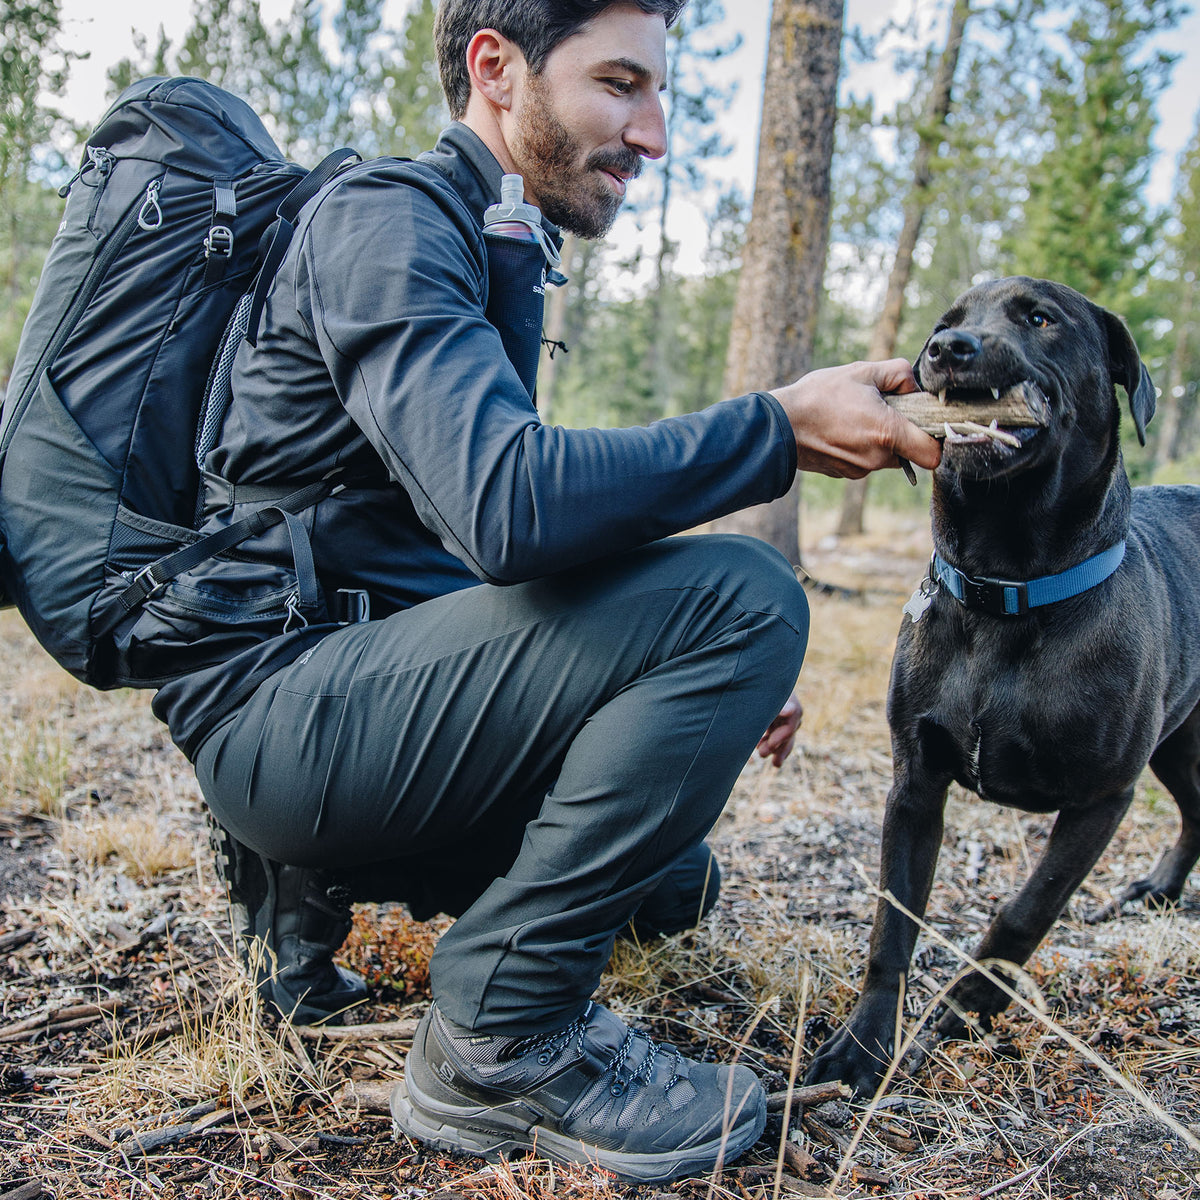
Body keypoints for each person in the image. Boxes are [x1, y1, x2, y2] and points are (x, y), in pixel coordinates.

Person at [128, 0, 941, 1182]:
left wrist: (652, 662)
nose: (652, 133)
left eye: (658, 94)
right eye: (620, 84)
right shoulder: (389, 223)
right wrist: (773, 430)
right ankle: (501, 1038)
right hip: (280, 722)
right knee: (746, 597)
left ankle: (299, 903)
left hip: (343, 697)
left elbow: (445, 540)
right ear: (496, 69)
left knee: (674, 882)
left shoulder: (487, 239)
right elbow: (510, 505)